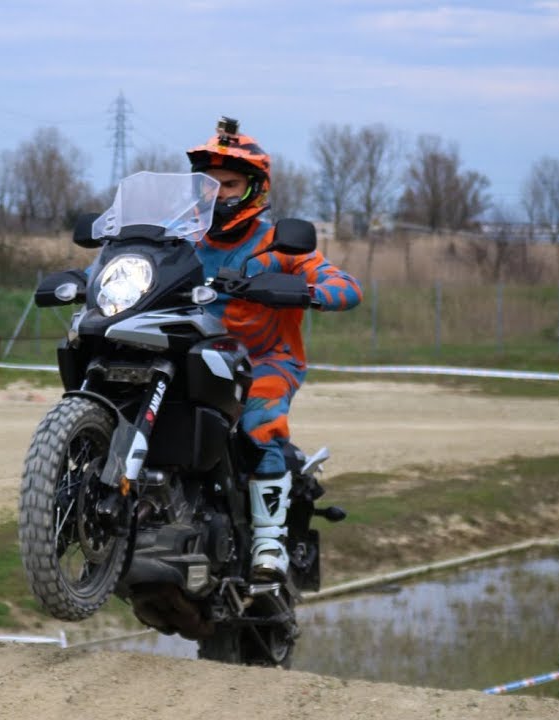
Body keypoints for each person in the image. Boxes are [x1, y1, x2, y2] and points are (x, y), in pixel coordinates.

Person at [185, 116, 362, 583]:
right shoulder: (179, 237)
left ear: (253, 189)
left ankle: (269, 543)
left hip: (263, 359)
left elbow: (343, 283)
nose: (218, 192)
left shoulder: (277, 242)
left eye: (229, 183)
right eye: (208, 183)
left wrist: (310, 292)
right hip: (190, 353)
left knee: (261, 421)